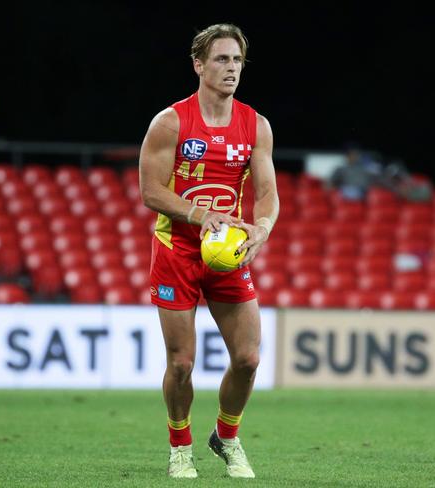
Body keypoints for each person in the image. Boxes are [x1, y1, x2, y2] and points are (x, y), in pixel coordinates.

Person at [139, 24, 279, 479]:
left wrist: (260, 228)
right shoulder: (171, 121)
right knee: (181, 364)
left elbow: (267, 192)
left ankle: (227, 436)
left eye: (237, 60)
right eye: (221, 59)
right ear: (199, 65)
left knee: (249, 359)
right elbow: (150, 191)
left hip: (225, 252)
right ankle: (180, 444)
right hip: (177, 250)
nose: (231, 68)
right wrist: (200, 217)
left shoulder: (255, 125)